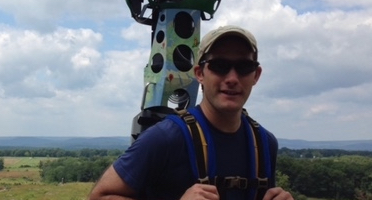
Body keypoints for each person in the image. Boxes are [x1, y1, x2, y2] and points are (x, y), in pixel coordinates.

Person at [88, 25, 293, 200]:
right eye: (219, 66)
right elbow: (100, 196)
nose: (232, 78)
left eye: (244, 67)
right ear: (199, 74)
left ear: (256, 75)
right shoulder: (165, 138)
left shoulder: (264, 144)